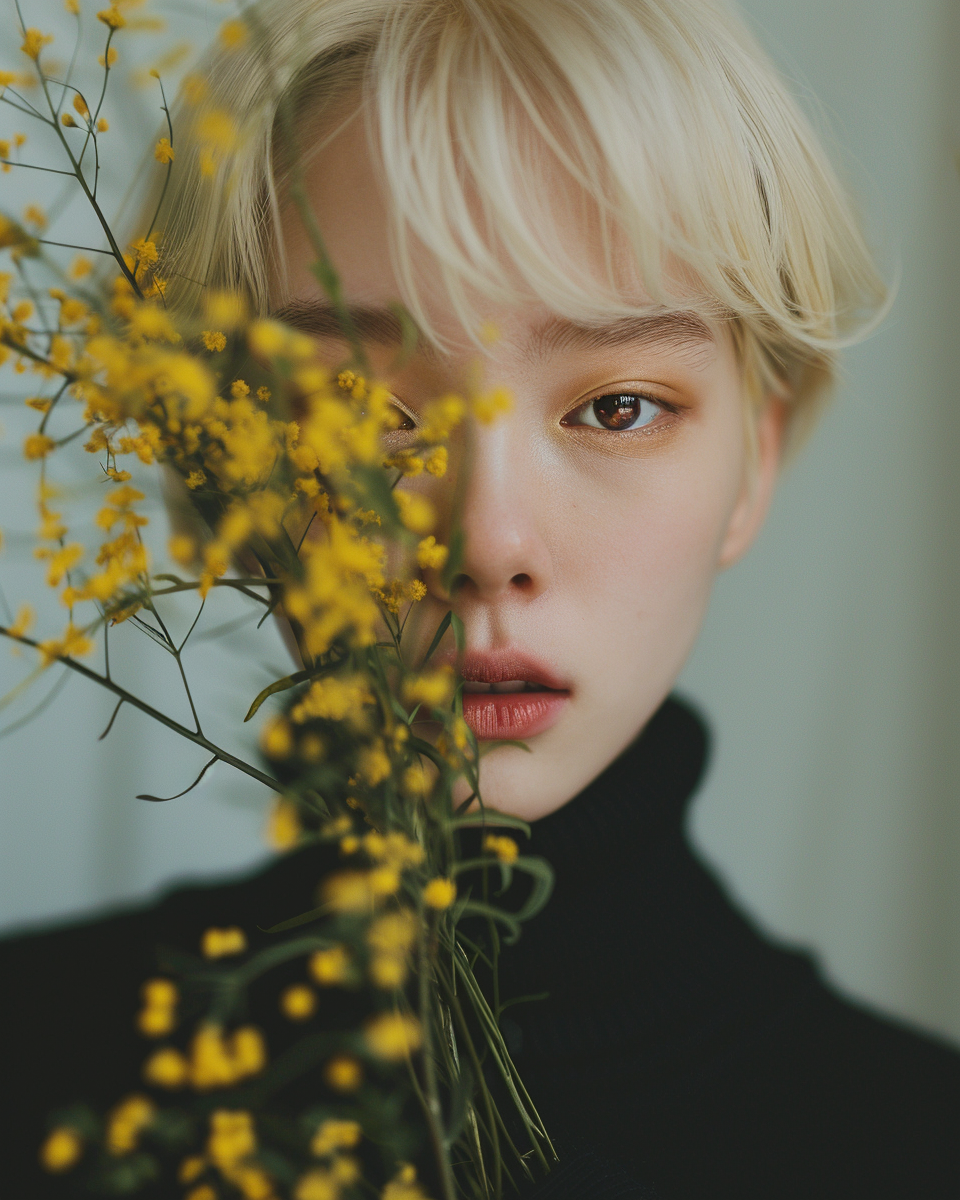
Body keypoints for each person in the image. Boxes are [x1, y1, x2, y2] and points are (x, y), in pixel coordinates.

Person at [3, 0, 959, 1196]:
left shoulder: (916, 1148)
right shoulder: (31, 1078)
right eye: (358, 413)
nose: (485, 542)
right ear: (214, 465)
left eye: (615, 407)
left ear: (753, 465)